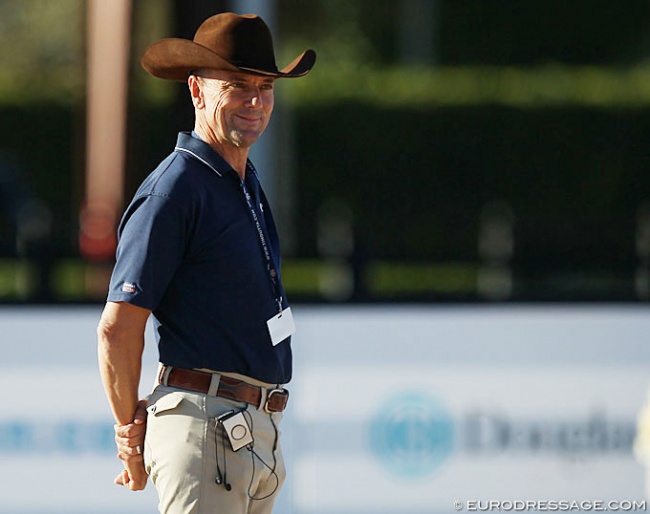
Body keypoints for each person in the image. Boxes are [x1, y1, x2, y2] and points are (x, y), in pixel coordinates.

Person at [97, 12, 315, 514]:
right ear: (197, 91)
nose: (256, 101)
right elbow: (117, 328)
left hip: (251, 431)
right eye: (238, 85)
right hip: (205, 427)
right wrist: (129, 436)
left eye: (264, 86)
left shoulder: (239, 180)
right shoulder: (174, 190)